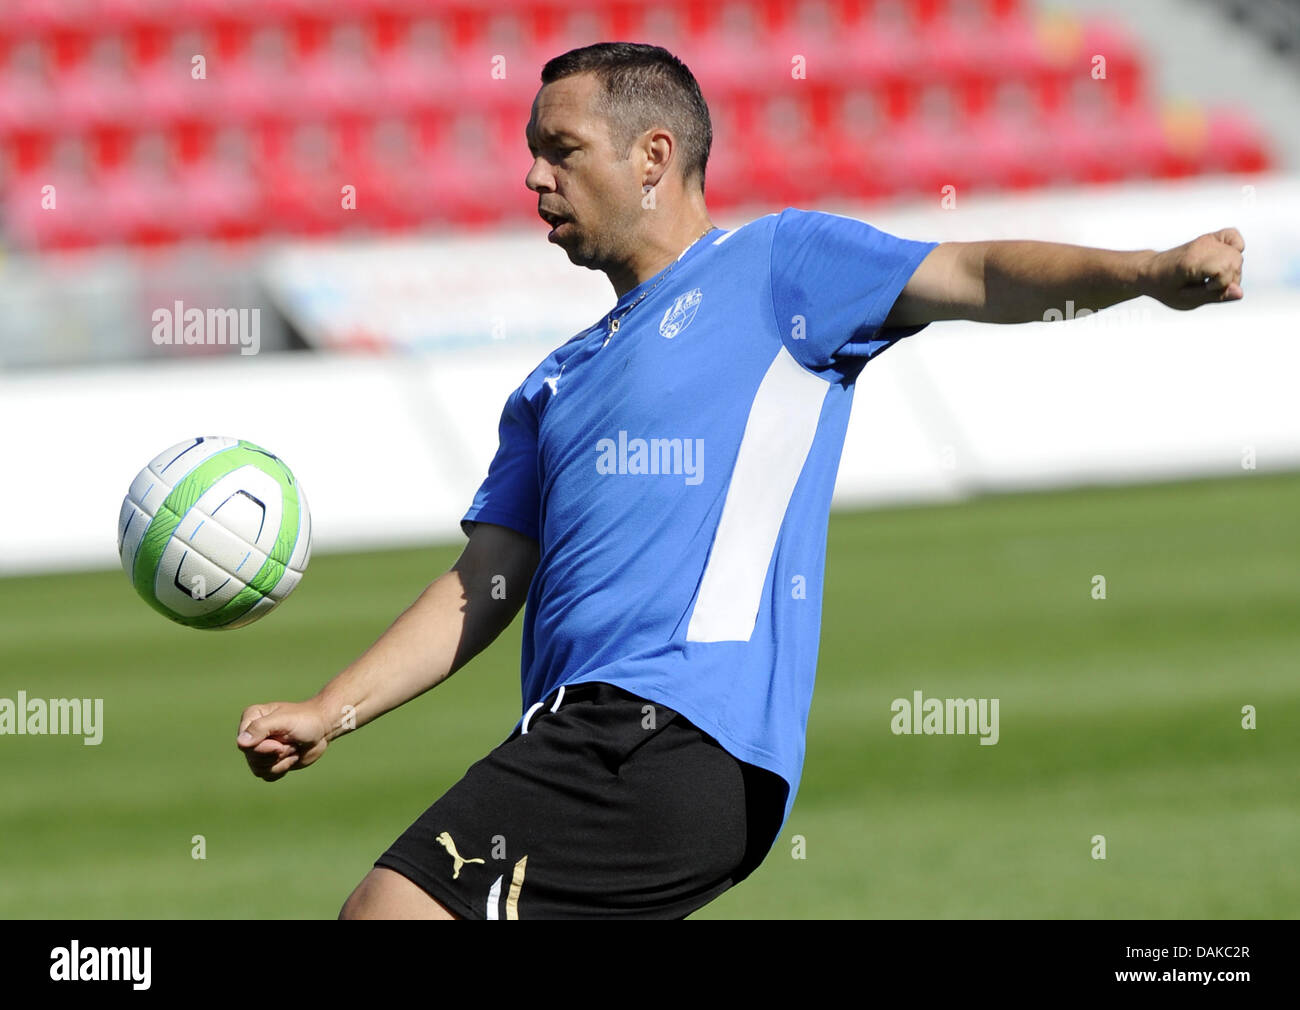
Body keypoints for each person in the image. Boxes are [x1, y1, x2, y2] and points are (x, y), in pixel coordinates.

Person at [236, 42, 1245, 920]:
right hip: (643, 757)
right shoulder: (547, 385)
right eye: (531, 154)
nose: (534, 178)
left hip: (657, 725)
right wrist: (334, 707)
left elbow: (975, 272)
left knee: (393, 907)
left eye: (561, 150)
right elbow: (486, 580)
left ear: (653, 157)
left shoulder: (776, 268)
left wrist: (1147, 273)